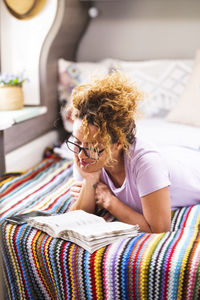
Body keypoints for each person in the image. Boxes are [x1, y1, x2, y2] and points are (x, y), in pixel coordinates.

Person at [66, 71, 200, 233]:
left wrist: (109, 201)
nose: (81, 155)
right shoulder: (85, 155)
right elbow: (78, 217)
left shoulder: (147, 164)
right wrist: (90, 179)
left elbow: (159, 229)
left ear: (118, 144)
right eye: (77, 142)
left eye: (93, 147)